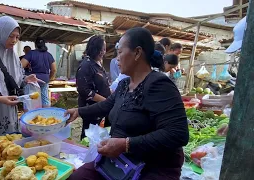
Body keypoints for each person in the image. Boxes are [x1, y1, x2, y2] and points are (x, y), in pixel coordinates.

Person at [66, 27, 189, 180]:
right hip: (120, 162)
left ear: (137, 53)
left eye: (120, 52)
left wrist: (125, 144)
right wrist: (78, 111)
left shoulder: (159, 85)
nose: (117, 58)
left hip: (152, 167)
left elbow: (178, 134)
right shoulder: (124, 84)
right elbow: (106, 105)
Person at [76, 35, 111, 140]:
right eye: (101, 49)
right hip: (91, 109)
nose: (103, 52)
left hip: (102, 108)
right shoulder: (86, 66)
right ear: (94, 49)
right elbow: (84, 91)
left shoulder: (97, 64)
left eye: (104, 49)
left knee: (99, 136)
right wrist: (106, 101)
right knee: (88, 136)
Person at [21, 37, 57, 107]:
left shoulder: (31, 53)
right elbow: (54, 69)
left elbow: (20, 65)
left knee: (30, 99)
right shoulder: (49, 55)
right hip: (44, 80)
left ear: (35, 45)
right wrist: (49, 78)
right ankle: (45, 115)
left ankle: (31, 116)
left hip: (32, 80)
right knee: (45, 99)